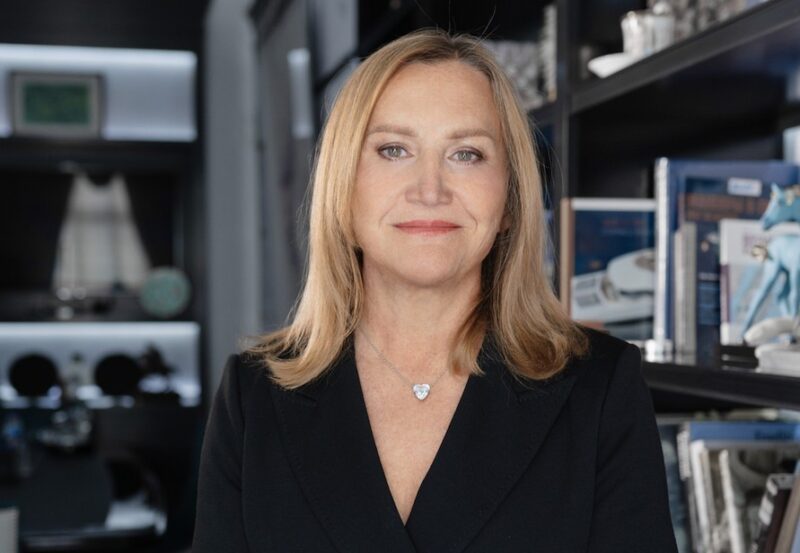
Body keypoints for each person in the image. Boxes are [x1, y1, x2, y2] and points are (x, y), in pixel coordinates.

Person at [192, 28, 679, 553]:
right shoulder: (253, 396)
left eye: (466, 154)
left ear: (511, 199)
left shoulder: (601, 388)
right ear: (343, 190)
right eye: (393, 149)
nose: (430, 190)